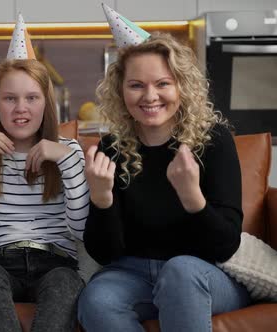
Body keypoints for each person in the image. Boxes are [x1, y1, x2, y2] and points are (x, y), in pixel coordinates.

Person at [77, 5, 251, 332]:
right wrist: (102, 200)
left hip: (202, 273)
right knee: (97, 299)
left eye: (162, 83)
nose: (150, 96)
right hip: (131, 274)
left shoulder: (213, 141)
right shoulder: (111, 148)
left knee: (180, 272)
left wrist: (192, 198)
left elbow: (226, 245)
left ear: (181, 87)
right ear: (120, 91)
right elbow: (105, 253)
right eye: (136, 85)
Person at [0, 15, 93, 332]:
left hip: (56, 262)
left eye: (31, 98)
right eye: (10, 98)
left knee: (66, 282)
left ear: (46, 103)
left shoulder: (69, 151)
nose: (20, 108)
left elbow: (83, 231)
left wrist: (67, 161)